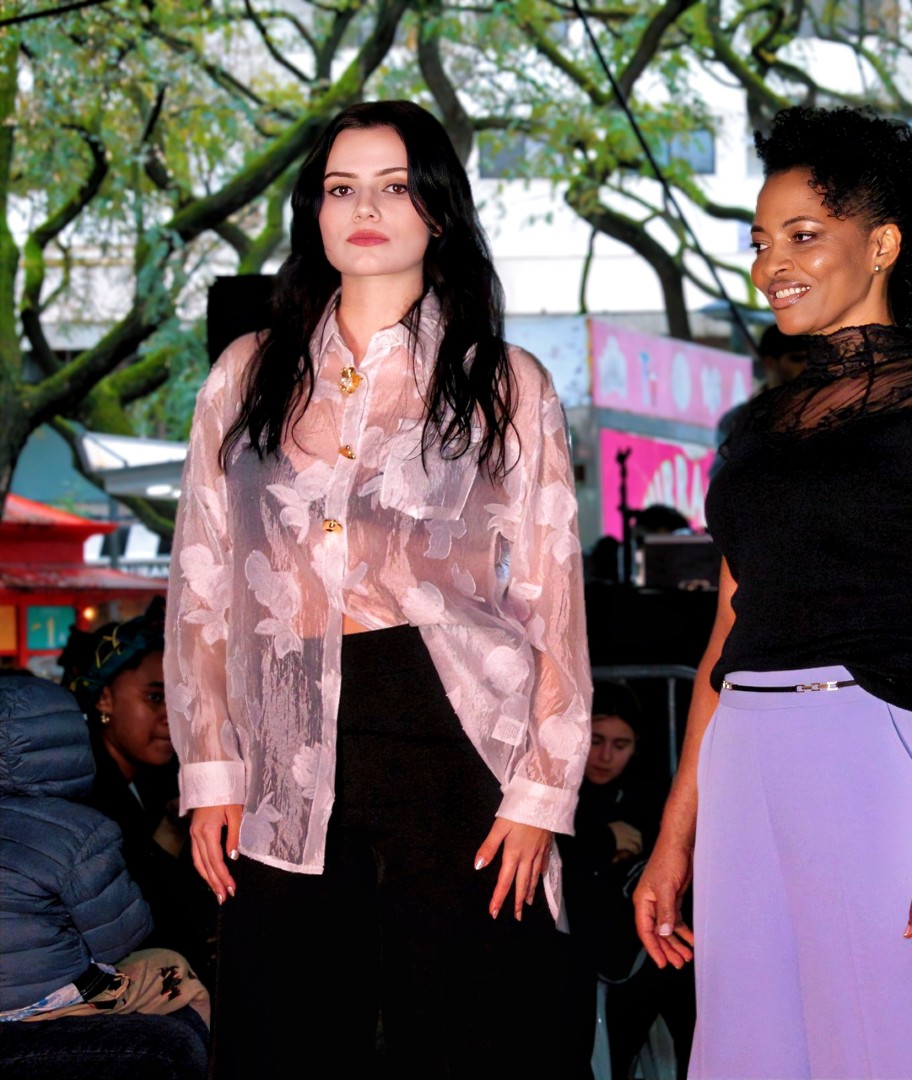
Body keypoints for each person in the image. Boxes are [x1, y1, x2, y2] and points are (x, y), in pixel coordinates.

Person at [165, 101, 592, 1077]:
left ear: (437, 211)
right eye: (341, 188)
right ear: (313, 213)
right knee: (288, 1038)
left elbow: (552, 601)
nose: (365, 209)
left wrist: (540, 792)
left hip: (454, 742)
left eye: (394, 187)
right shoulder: (245, 376)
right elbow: (201, 582)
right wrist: (211, 769)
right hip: (284, 747)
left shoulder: (503, 381)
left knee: (469, 1042)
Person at [634, 105, 912, 1079]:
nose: (773, 265)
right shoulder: (754, 430)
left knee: (905, 1038)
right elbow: (729, 631)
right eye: (761, 242)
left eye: (803, 236)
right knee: (755, 1044)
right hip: (744, 758)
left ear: (882, 245)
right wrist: (674, 835)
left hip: (878, 750)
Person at [0, 670, 209, 1035]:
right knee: (175, 970)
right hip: (45, 1002)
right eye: (155, 697)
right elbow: (119, 941)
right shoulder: (83, 832)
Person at [59, 606, 216, 986]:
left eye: (180, 700)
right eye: (155, 697)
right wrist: (171, 832)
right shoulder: (81, 792)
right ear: (104, 699)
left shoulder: (163, 778)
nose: (171, 716)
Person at [559, 682, 694, 1080]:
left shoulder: (651, 793)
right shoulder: (557, 790)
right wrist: (604, 840)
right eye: (596, 741)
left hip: (639, 948)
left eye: (620, 745)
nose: (605, 756)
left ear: (635, 748)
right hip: (583, 942)